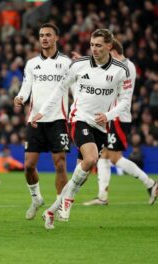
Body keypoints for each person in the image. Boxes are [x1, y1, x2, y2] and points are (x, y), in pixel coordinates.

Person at [32, 29, 132, 229]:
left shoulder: (121, 70)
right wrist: (43, 111)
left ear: (109, 47)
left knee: (83, 173)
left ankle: (51, 211)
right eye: (92, 45)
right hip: (80, 118)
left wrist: (109, 116)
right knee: (91, 159)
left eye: (99, 45)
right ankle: (68, 200)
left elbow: (125, 101)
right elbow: (60, 88)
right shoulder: (79, 65)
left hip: (102, 125)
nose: (94, 49)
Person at [83, 39, 157, 206]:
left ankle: (151, 184)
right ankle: (102, 196)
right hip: (112, 116)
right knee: (103, 155)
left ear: (113, 51)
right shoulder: (123, 66)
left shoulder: (125, 67)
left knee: (115, 158)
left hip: (118, 117)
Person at [13, 23, 71, 220]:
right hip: (35, 120)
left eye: (48, 35)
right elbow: (26, 86)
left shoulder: (66, 63)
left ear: (56, 38)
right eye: (41, 35)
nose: (44, 38)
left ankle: (60, 205)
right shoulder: (31, 64)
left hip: (58, 119)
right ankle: (36, 198)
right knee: (28, 165)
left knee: (60, 164)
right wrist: (20, 97)